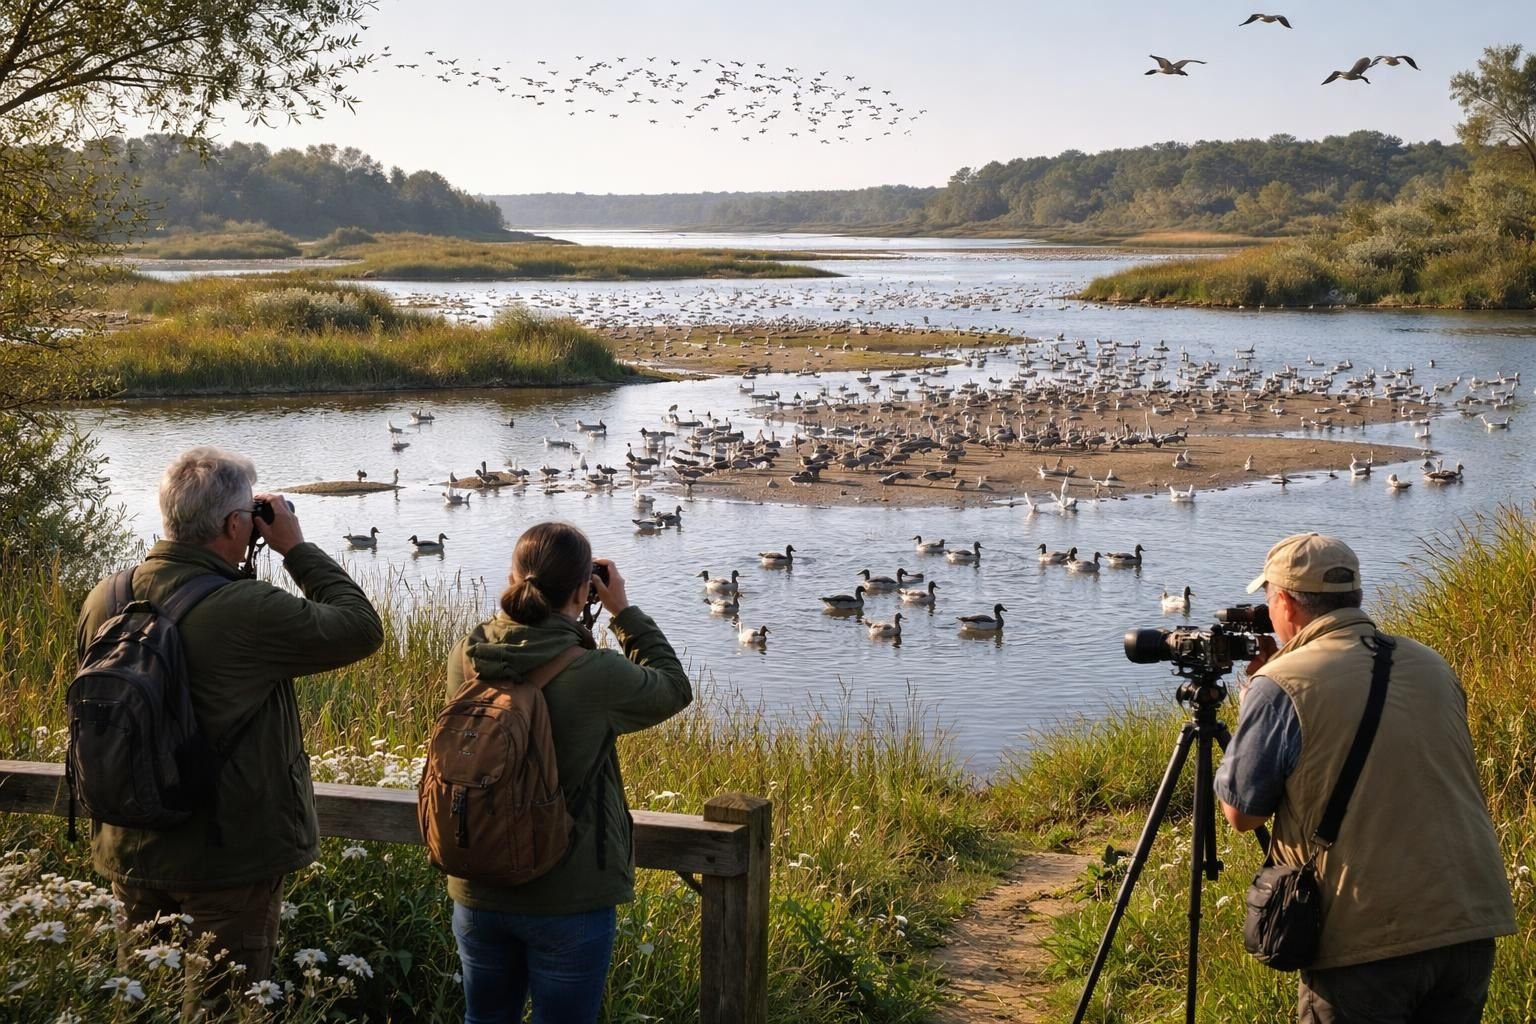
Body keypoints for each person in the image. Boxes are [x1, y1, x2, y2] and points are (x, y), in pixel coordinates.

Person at [75, 446, 384, 986]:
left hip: (128, 844)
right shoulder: (248, 607)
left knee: (143, 1001)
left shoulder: (108, 595)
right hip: (225, 862)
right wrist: (295, 547)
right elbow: (360, 627)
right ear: (234, 523)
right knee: (225, 1008)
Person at [1215, 532, 1515, 1023]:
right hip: (1468, 919)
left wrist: (1256, 692)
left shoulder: (1281, 683)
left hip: (1365, 937)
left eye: (1268, 601)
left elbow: (1242, 814)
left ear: (1285, 602)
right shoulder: (1431, 664)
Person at [444, 521, 692, 1024]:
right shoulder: (594, 673)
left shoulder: (468, 654)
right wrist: (622, 612)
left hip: (478, 883)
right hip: (569, 895)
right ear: (584, 589)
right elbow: (673, 688)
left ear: (513, 576)